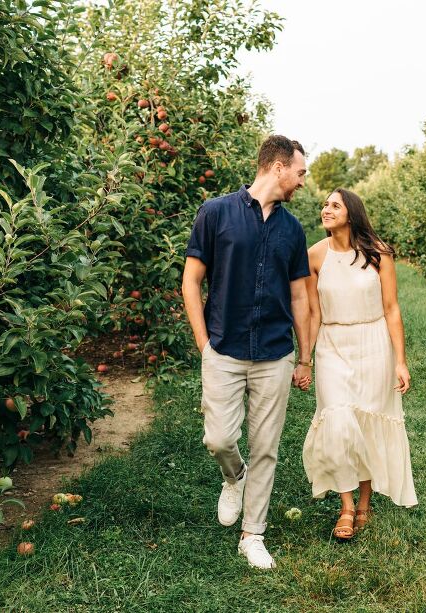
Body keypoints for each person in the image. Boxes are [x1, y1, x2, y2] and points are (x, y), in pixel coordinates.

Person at [181, 135, 312, 569]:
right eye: (300, 172)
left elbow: (298, 298)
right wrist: (205, 345)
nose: (302, 182)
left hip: (274, 352)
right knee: (219, 438)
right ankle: (233, 476)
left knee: (266, 446)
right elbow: (191, 281)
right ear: (278, 167)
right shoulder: (215, 212)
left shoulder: (293, 230)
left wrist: (305, 356)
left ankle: (252, 534)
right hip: (225, 347)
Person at [302, 187, 417, 540]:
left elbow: (391, 308)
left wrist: (401, 361)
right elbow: (313, 312)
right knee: (338, 421)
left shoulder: (378, 253)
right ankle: (346, 506)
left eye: (334, 205)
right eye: (324, 204)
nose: (326, 209)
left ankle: (364, 504)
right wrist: (304, 359)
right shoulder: (314, 257)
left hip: (373, 343)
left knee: (366, 423)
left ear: (351, 213)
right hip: (333, 345)